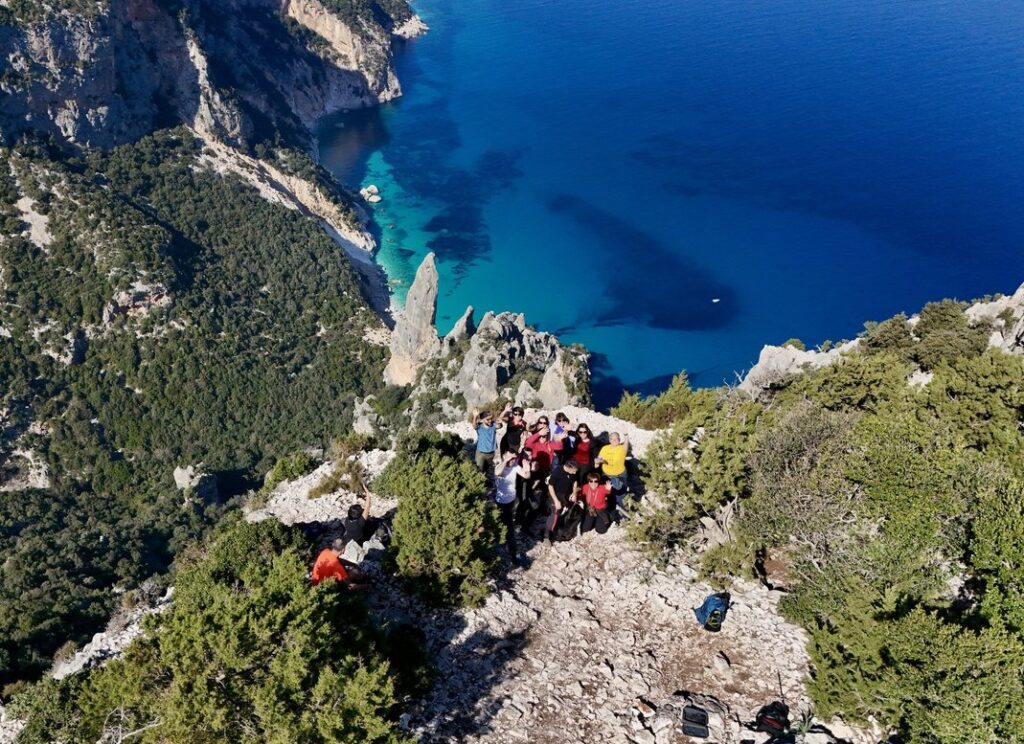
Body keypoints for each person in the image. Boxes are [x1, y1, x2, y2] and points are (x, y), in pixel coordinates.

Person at [495, 451, 531, 566]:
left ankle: (501, 542)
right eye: (510, 459)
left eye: (514, 458)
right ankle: (513, 555)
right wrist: (506, 460)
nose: (512, 461)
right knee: (510, 529)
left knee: (504, 525)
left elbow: (526, 476)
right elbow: (497, 472)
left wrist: (527, 469)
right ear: (503, 458)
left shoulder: (515, 466)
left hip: (511, 501)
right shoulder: (500, 467)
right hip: (502, 503)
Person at [472, 404, 511, 475]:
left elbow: (499, 421)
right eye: (487, 419)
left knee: (487, 470)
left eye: (491, 418)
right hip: (481, 453)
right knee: (479, 470)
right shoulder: (480, 427)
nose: (490, 421)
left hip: (491, 453)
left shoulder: (493, 425)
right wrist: (475, 416)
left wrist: (505, 411)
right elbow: (474, 425)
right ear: (482, 420)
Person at [546, 459, 579, 542]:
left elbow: (575, 482)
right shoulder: (557, 472)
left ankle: (557, 531)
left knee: (562, 513)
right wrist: (556, 501)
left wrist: (574, 493)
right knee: (554, 515)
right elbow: (550, 486)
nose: (575, 473)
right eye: (574, 471)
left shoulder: (573, 472)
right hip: (556, 495)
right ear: (568, 468)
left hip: (566, 495)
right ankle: (546, 536)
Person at [596, 431, 630, 497]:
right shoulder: (604, 448)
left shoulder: (622, 448)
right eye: (612, 439)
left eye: (616, 439)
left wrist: (626, 433)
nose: (614, 440)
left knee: (620, 494)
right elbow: (598, 459)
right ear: (609, 440)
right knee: (607, 493)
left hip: (620, 476)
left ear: (619, 440)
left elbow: (626, 442)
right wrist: (598, 461)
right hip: (606, 475)